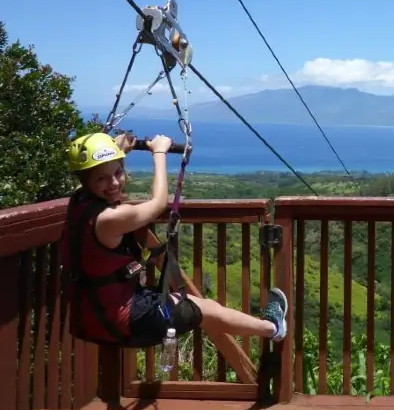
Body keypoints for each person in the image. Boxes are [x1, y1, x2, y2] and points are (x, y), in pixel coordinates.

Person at [61, 132, 289, 349]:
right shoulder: (111, 218)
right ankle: (273, 328)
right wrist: (159, 153)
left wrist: (119, 151)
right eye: (102, 178)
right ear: (87, 180)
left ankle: (270, 328)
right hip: (124, 321)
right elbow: (159, 202)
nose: (113, 183)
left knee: (194, 303)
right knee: (205, 309)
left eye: (118, 173)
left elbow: (92, 175)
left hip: (90, 316)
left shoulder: (79, 201)